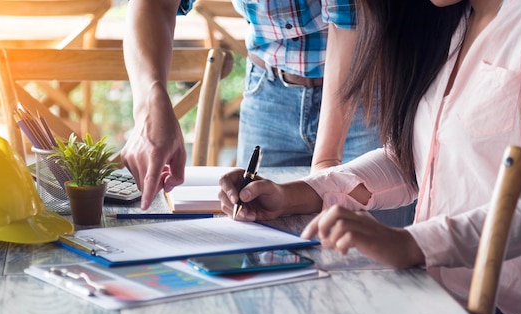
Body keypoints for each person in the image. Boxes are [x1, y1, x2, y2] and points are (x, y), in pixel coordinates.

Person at [218, 0, 521, 314]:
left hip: (506, 306)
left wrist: (413, 243)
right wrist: (292, 195)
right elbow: (409, 161)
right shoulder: (448, 22)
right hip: (434, 294)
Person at [121, 0, 385, 211]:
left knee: (376, 249)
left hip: (367, 91)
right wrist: (150, 103)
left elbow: (349, 19)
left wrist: (326, 167)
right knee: (259, 227)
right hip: (268, 91)